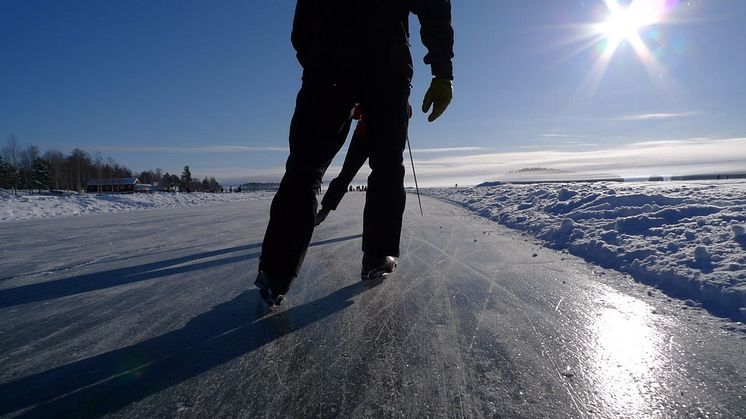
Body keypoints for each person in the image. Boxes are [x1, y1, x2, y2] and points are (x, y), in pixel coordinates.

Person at [255, 0, 454, 306]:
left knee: (314, 167)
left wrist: (319, 61)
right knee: (371, 164)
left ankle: (276, 271)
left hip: (353, 65)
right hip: (365, 64)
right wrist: (442, 72)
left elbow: (301, 28)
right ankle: (375, 256)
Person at [314, 103, 412, 227]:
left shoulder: (371, 91)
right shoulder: (388, 91)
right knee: (380, 178)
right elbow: (408, 112)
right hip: (375, 137)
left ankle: (325, 210)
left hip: (365, 136)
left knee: (347, 175)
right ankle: (381, 219)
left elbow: (355, 113)